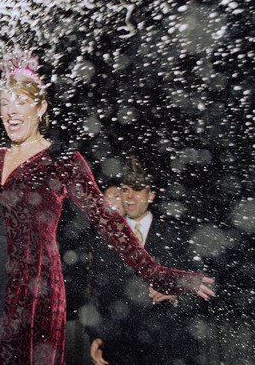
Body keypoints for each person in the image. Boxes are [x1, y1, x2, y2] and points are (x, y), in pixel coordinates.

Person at [0, 45, 215, 364]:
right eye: (5, 102)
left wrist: (160, 276)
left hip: (32, 295)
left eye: (21, 101)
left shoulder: (63, 163)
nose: (11, 111)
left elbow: (111, 224)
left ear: (41, 108)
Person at [87, 154, 204, 364]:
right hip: (122, 350)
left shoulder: (177, 236)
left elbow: (203, 285)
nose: (129, 197)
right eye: (125, 190)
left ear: (151, 195)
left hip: (169, 349)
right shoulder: (108, 240)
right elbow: (97, 294)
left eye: (137, 189)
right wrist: (95, 335)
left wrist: (177, 292)